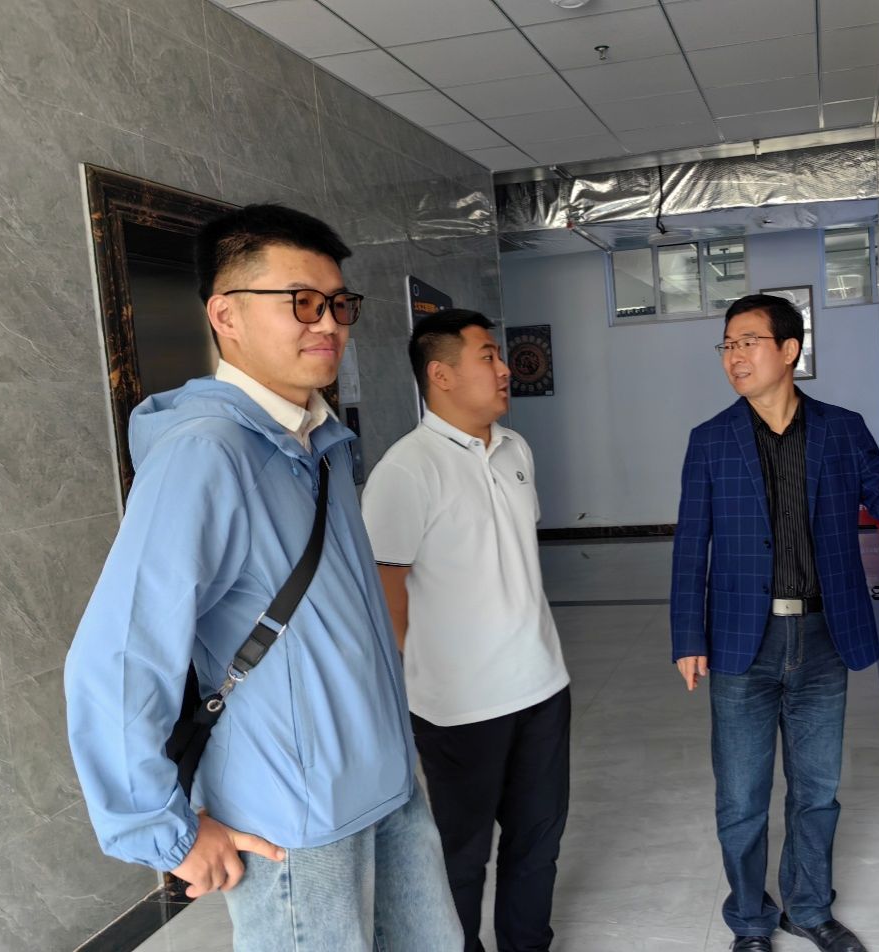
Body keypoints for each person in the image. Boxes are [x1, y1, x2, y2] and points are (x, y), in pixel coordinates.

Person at [63, 204, 461, 952]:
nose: (328, 323)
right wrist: (164, 831)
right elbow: (118, 655)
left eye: (338, 303)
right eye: (301, 302)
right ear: (226, 315)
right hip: (293, 815)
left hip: (385, 784)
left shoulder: (320, 441)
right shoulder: (206, 453)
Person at [671, 294, 879, 952]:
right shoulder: (709, 441)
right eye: (727, 345)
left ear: (789, 350)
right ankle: (749, 919)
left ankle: (807, 907)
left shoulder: (841, 429)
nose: (734, 357)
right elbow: (690, 546)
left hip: (825, 638)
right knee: (741, 798)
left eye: (748, 342)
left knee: (817, 791)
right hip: (741, 642)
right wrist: (688, 636)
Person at [362, 309, 570, 952]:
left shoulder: (515, 449)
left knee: (538, 839)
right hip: (459, 707)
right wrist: (426, 674)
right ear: (441, 374)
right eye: (488, 356)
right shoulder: (407, 468)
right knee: (461, 853)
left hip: (542, 684)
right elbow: (387, 589)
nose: (504, 369)